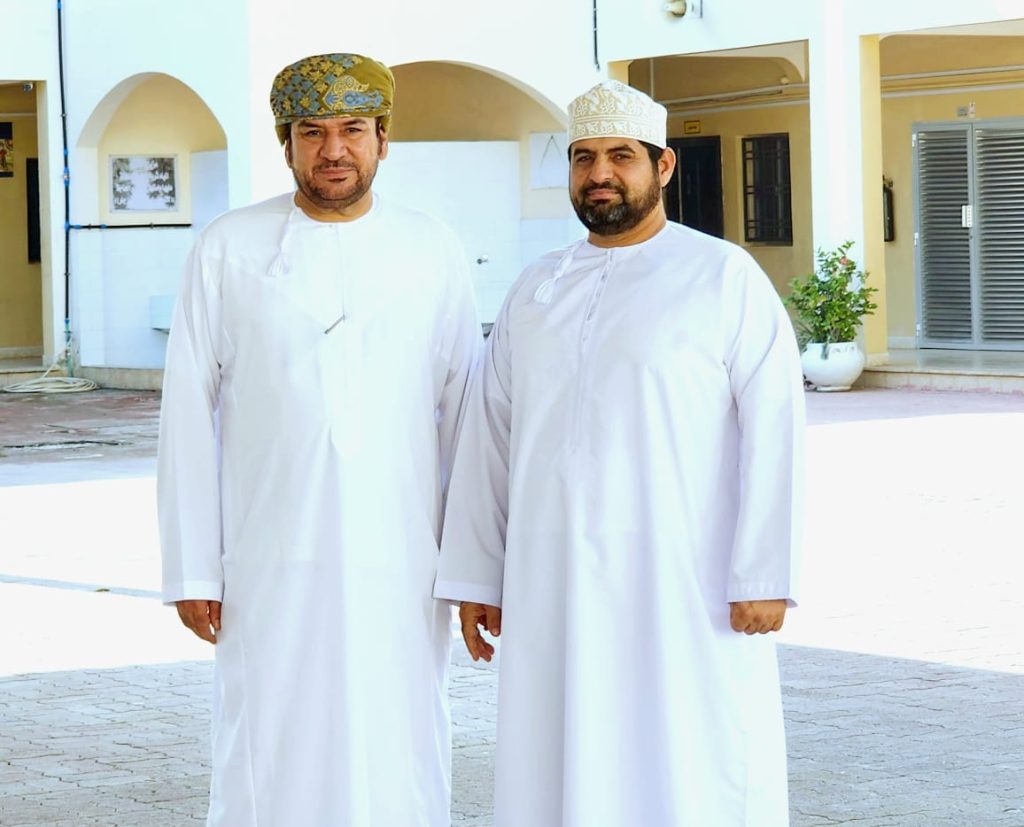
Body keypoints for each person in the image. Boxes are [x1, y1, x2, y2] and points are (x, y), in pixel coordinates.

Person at [434, 80, 805, 826]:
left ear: (663, 166)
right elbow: (490, 437)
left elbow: (776, 428)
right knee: (559, 753)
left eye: (620, 156)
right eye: (583, 157)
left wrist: (764, 573)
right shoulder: (535, 288)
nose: (599, 173)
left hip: (682, 582)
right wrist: (477, 574)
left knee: (688, 755)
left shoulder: (722, 277)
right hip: (551, 579)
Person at [158, 53, 480, 827]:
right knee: (269, 735)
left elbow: (469, 416)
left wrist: (474, 565)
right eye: (312, 132)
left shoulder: (432, 248)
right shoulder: (228, 247)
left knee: (399, 733)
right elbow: (186, 413)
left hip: (402, 559)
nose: (333, 150)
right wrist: (192, 565)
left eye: (353, 130)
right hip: (269, 556)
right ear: (286, 142)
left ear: (383, 139)